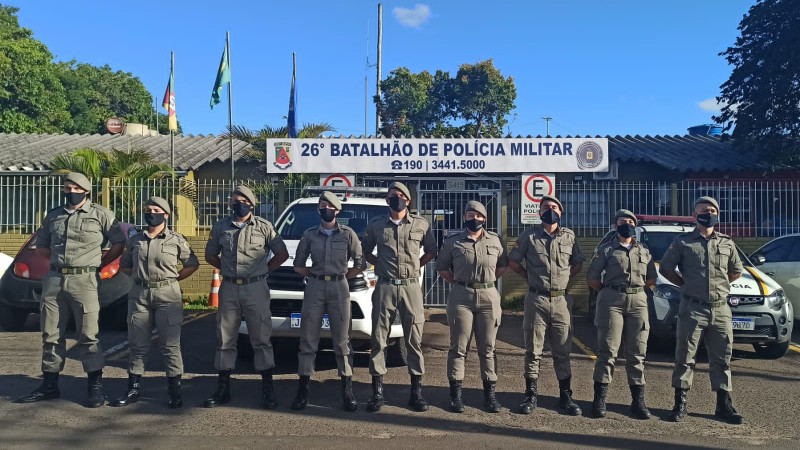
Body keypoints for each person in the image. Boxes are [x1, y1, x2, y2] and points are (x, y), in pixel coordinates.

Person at [14, 172, 126, 408]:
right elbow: (42, 246)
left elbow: (118, 242)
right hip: (55, 280)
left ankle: (94, 387)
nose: (70, 192)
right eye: (67, 188)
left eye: (75, 188)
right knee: (51, 334)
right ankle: (49, 385)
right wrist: (58, 262)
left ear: (86, 190)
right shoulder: (54, 215)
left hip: (84, 280)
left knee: (88, 335)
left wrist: (100, 264)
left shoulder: (101, 215)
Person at [660, 196, 745, 424]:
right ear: (694, 216)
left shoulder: (727, 242)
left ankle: (723, 405)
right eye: (704, 210)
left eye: (713, 210)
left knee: (722, 358)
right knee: (685, 357)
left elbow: (736, 270)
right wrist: (685, 284)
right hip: (692, 308)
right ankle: (680, 404)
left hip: (720, 309)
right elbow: (666, 268)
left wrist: (720, 285)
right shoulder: (683, 242)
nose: (709, 213)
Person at [203, 185, 289, 409]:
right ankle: (223, 389)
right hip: (230, 287)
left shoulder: (264, 227)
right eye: (234, 200)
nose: (237, 204)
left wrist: (264, 271)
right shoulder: (222, 227)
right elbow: (210, 255)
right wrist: (227, 268)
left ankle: (268, 389)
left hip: (256, 288)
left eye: (241, 200)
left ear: (251, 204)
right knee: (225, 338)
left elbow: (282, 253)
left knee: (261, 337)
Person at [110, 197, 199, 409]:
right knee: (137, 344)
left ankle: (175, 391)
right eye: (148, 209)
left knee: (170, 345)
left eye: (156, 210)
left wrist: (173, 279)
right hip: (140, 294)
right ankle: (133, 388)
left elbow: (192, 264)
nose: (151, 213)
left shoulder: (176, 240)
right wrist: (140, 278)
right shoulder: (135, 240)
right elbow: (125, 266)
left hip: (167, 295)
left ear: (166, 215)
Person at [361, 181, 437, 412]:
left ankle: (416, 393)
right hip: (384, 286)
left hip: (411, 287)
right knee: (379, 338)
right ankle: (377, 393)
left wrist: (416, 266)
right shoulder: (376, 225)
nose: (397, 198)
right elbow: (365, 251)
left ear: (408, 200)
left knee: (413, 339)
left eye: (401, 195)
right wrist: (380, 265)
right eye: (393, 195)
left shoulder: (421, 224)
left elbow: (432, 250)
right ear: (387, 200)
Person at [508, 195, 584, 416]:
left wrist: (564, 279)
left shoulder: (569, 236)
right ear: (539, 212)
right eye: (545, 207)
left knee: (563, 350)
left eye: (553, 207)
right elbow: (513, 261)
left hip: (561, 301)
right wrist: (529, 278)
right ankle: (530, 396)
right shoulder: (528, 236)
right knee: (533, 350)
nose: (549, 210)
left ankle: (565, 396)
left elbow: (577, 263)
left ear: (560, 212)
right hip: (536, 300)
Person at [290, 191, 364, 412]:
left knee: (342, 340)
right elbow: (298, 264)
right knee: (308, 339)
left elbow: (360, 263)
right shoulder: (310, 234)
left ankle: (347, 391)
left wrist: (342, 276)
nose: (325, 209)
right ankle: (303, 390)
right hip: (314, 286)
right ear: (318, 209)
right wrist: (315, 276)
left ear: (337, 210)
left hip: (340, 287)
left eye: (329, 206)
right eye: (322, 205)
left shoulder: (348, 235)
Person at [436, 200, 508, 413]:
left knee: (488, 348)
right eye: (470, 215)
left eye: (478, 215)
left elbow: (502, 266)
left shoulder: (495, 240)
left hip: (489, 296)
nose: (474, 219)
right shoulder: (453, 242)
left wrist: (486, 282)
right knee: (459, 347)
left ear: (484, 219)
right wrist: (460, 283)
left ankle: (490, 396)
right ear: (464, 217)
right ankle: (456, 396)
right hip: (461, 297)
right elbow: (442, 267)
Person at [586, 209, 656, 419]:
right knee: (608, 351)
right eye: (621, 221)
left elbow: (651, 278)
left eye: (630, 221)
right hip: (612, 301)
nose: (626, 224)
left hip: (638, 302)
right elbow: (593, 278)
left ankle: (638, 401)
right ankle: (599, 400)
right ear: (615, 226)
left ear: (635, 226)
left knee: (637, 353)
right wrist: (609, 293)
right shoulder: (606, 250)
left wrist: (634, 291)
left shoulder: (644, 251)